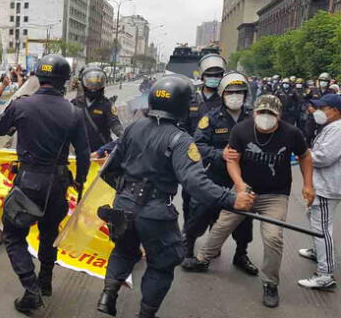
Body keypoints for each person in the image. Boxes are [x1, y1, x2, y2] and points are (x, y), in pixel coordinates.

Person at [95, 75, 254, 318]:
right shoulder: (181, 139)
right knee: (162, 263)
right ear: (181, 105)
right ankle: (146, 314)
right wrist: (231, 199)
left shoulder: (133, 128)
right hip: (155, 211)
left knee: (123, 251)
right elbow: (195, 182)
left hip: (123, 206)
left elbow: (109, 169)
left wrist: (127, 191)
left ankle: (108, 294)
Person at [0, 54, 91, 313]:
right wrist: (79, 181)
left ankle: (31, 290)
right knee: (49, 233)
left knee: (12, 234)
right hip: (58, 183)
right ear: (65, 81)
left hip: (28, 182)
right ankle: (45, 281)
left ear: (38, 78)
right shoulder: (74, 112)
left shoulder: (22, 105)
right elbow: (84, 154)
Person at [187, 95, 314, 308]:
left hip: (275, 195)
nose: (265, 117)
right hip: (246, 191)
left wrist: (308, 184)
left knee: (273, 237)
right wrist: (239, 184)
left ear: (279, 115)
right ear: (254, 112)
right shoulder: (242, 130)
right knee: (222, 225)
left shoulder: (292, 133)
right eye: (261, 112)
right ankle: (202, 259)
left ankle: (270, 283)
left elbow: (305, 156)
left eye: (271, 114)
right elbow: (232, 159)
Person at [181, 72, 257, 275]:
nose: (235, 96)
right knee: (200, 214)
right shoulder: (211, 118)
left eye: (239, 92)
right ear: (222, 94)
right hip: (215, 175)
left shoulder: (253, 118)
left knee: (244, 219)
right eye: (230, 92)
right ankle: (187, 248)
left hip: (242, 179)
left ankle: (241, 254)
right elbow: (198, 144)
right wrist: (218, 153)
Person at [297, 94, 341, 289]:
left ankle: (325, 274)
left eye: (323, 108)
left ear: (335, 111)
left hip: (327, 187)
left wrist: (303, 154)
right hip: (324, 184)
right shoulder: (330, 128)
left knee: (322, 228)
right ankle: (318, 251)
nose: (318, 112)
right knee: (315, 220)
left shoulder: (337, 130)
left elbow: (323, 158)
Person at [180, 54, 227, 226]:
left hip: (216, 158)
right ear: (202, 75)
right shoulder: (191, 98)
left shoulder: (225, 101)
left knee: (214, 200)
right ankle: (188, 236)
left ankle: (212, 240)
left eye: (217, 75)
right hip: (191, 157)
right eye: (210, 74)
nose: (214, 79)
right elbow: (182, 126)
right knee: (188, 197)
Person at [71, 66, 123, 152]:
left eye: (97, 84)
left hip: (102, 153)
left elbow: (114, 123)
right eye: (90, 84)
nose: (93, 87)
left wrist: (122, 134)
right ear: (84, 83)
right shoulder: (74, 103)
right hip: (79, 153)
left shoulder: (107, 104)